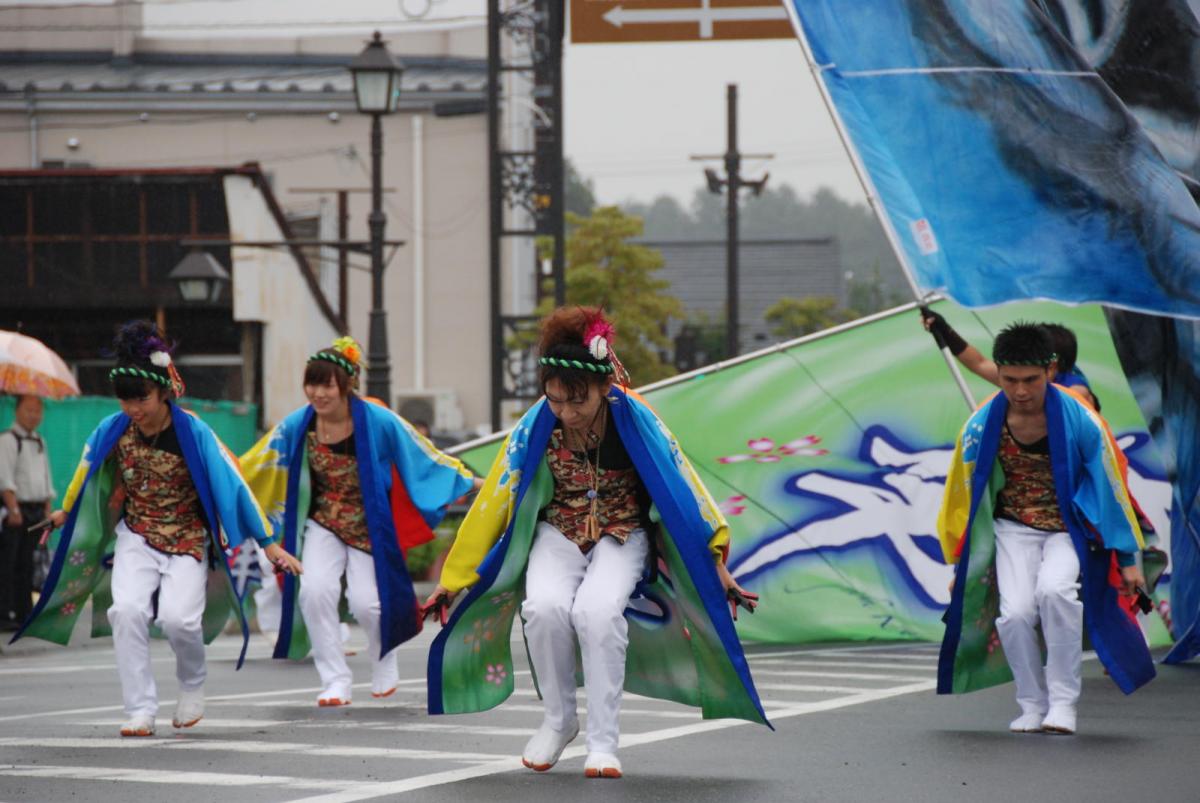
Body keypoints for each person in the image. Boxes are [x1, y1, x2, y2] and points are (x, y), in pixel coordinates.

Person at [422, 307, 767, 779]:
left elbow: (684, 490)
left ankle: (604, 743)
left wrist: (717, 567)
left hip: (622, 533)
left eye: (577, 402)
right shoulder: (536, 424)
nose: (566, 412)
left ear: (606, 388)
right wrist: (454, 578)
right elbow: (496, 497)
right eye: (556, 400)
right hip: (557, 531)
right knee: (543, 608)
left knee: (597, 612)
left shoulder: (636, 418)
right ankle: (559, 721)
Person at [11, 321, 302, 737]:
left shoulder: (194, 432)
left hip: (186, 540)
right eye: (126, 399)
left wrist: (269, 544)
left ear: (164, 390)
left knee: (179, 621)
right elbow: (86, 472)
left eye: (141, 398)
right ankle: (140, 709)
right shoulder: (112, 430)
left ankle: (192, 685)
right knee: (126, 612)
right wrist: (67, 511)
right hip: (137, 536)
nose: (133, 408)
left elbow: (234, 483)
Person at [936, 322, 1154, 735]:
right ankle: (1031, 704)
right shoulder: (980, 426)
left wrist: (1127, 559)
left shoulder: (1081, 420)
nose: (1020, 391)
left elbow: (1111, 488)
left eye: (1030, 380)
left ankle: (1064, 705)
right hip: (1011, 529)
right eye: (1010, 379)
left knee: (1055, 593)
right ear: (998, 372)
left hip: (1068, 530)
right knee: (1015, 614)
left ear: (1050, 370)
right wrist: (961, 567)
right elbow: (965, 500)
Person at [240, 336, 478, 706]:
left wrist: (477, 482)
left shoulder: (379, 420)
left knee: (370, 604)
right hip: (321, 522)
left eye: (327, 384)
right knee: (314, 592)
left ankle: (384, 661)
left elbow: (424, 455)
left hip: (370, 524)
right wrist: (222, 482)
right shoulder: (298, 425)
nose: (318, 393)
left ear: (346, 384)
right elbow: (258, 462)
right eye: (312, 383)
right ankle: (335, 679)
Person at [0, 395, 55, 631]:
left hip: (35, 511)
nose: (34, 415)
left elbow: (46, 479)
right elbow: (5, 478)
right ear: (17, 411)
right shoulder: (8, 440)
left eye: (38, 410)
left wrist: (47, 511)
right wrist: (13, 509)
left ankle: (25, 612)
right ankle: (5, 612)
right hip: (15, 511)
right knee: (8, 564)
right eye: (29, 409)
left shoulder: (39, 440)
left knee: (29, 564)